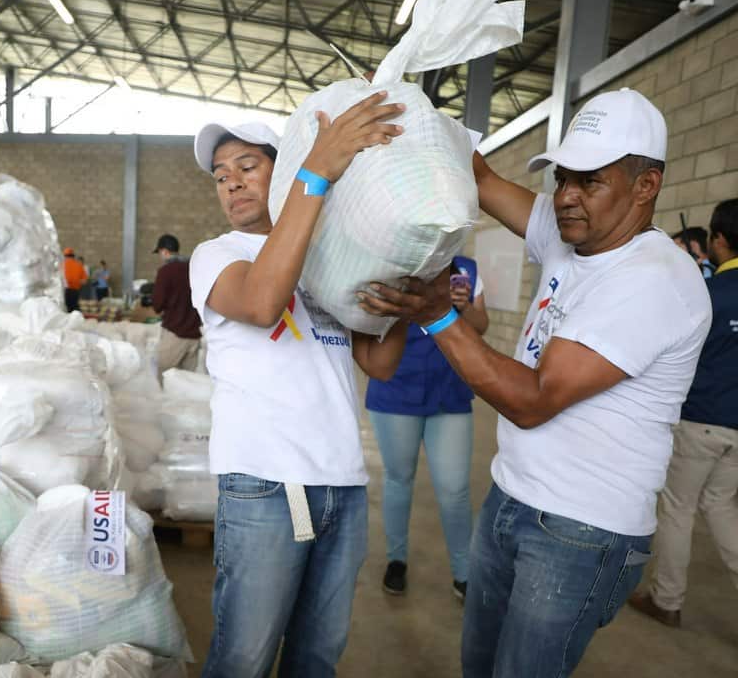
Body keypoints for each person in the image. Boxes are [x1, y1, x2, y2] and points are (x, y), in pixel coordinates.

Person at [358, 87, 711, 678]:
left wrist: (436, 314)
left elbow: (533, 400)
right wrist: (408, 103)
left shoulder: (651, 280)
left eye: (589, 181)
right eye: (562, 179)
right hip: (512, 498)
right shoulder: (576, 233)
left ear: (646, 186)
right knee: (480, 665)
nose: (567, 198)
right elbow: (483, 177)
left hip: (578, 532)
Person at [190, 94, 409, 678]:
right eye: (221, 175)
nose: (231, 184)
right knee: (244, 658)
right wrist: (319, 170)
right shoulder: (218, 255)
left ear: (280, 170)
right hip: (266, 484)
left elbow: (378, 360)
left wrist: (412, 291)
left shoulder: (331, 257)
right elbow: (263, 303)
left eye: (248, 167)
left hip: (344, 484)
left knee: (316, 658)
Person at [629, 198, 738, 627]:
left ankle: (666, 600)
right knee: (722, 507)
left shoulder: (709, 296)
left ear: (719, 240)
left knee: (678, 508)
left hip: (701, 421)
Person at [365, 256, 490, 600]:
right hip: (396, 387)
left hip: (449, 391)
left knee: (455, 489)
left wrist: (464, 308)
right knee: (398, 479)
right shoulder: (388, 262)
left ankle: (464, 572)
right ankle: (396, 560)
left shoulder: (464, 270)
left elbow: (481, 324)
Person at [151, 234, 203, 376]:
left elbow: (157, 305)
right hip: (194, 336)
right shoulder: (194, 268)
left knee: (162, 379)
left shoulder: (166, 271)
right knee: (185, 385)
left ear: (164, 251)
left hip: (175, 334)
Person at [62, 247, 87, 313]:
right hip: (75, 291)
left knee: (66, 310)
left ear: (65, 256)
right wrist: (76, 281)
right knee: (74, 309)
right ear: (73, 256)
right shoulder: (79, 265)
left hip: (64, 291)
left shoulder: (61, 265)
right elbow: (84, 281)